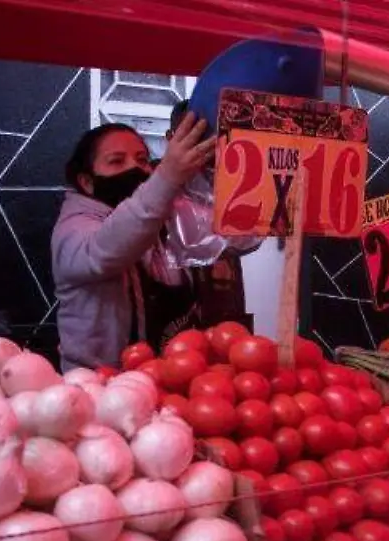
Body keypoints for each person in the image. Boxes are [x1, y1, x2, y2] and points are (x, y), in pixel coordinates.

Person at [52, 114, 215, 371]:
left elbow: (237, 239)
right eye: (116, 161)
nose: (135, 169)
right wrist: (167, 178)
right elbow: (106, 250)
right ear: (87, 181)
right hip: (101, 387)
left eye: (142, 160)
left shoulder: (165, 214)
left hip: (171, 377)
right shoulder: (73, 229)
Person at [164, 99, 260, 332]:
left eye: (214, 136)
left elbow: (250, 238)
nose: (205, 146)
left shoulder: (233, 180)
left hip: (224, 298)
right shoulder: (155, 183)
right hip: (172, 306)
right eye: (195, 136)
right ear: (171, 137)